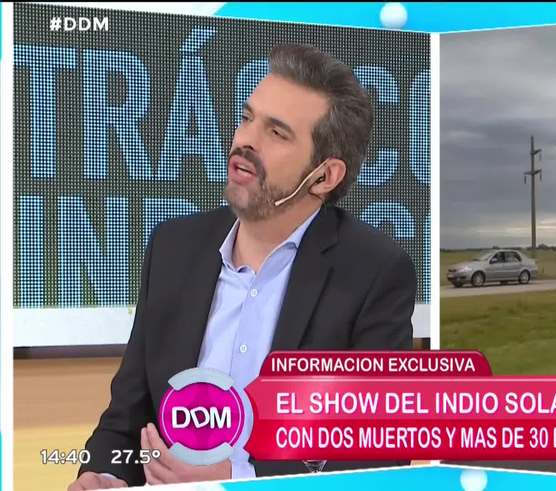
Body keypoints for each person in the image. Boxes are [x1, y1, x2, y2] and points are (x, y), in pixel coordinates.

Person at [69, 44, 416, 490]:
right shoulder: (173, 248)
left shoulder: (375, 273)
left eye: (277, 133)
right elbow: (126, 418)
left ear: (325, 176)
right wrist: (102, 475)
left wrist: (240, 478)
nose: (245, 140)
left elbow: (379, 452)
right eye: (247, 118)